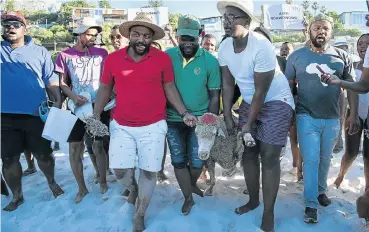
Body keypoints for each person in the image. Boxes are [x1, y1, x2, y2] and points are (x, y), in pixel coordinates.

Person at [92, 13, 197, 231]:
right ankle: (133, 189)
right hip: (121, 124)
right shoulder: (113, 59)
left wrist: (184, 111)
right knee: (120, 171)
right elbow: (104, 88)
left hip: (154, 125)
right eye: (136, 34)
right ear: (129, 35)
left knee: (149, 173)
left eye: (146, 36)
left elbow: (169, 88)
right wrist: (95, 115)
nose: (141, 39)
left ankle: (140, 213)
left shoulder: (162, 58)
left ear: (152, 38)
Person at [217, 1, 295, 231]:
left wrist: (248, 124)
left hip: (276, 101)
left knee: (269, 156)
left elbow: (262, 90)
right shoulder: (223, 47)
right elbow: (227, 82)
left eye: (234, 17)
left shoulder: (262, 46)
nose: (227, 21)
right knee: (248, 153)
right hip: (250, 101)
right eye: (225, 17)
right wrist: (229, 112)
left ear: (248, 23)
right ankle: (253, 200)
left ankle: (269, 212)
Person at [285, 14, 359, 224]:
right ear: (309, 31)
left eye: (325, 28)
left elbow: (351, 86)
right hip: (305, 114)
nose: (321, 31)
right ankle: (310, 204)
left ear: (331, 32)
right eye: (317, 27)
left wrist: (352, 114)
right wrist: (288, 113)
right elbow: (288, 87)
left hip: (333, 116)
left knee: (326, 158)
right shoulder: (296, 57)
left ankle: (320, 191)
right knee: (311, 159)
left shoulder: (342, 56)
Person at [1, 11, 64, 211]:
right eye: (6, 24)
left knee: (44, 155)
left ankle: (52, 181)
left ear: (25, 28)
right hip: (4, 116)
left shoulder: (39, 51)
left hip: (35, 113)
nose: (11, 27)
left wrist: (58, 100)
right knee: (9, 158)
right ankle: (17, 196)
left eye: (15, 24)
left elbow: (50, 79)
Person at [165, 15, 221, 215]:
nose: (187, 44)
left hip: (200, 119)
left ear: (200, 36)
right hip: (172, 118)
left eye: (192, 39)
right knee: (178, 160)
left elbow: (215, 96)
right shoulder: (167, 56)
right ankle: (188, 197)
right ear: (177, 37)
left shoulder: (210, 61)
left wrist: (209, 123)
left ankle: (190, 185)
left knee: (198, 161)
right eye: (183, 39)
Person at [55, 17, 109, 204]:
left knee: (98, 146)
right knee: (74, 149)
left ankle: (102, 180)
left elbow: (107, 79)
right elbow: (62, 83)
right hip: (75, 107)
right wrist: (72, 96)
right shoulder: (64, 55)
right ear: (79, 33)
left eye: (95, 34)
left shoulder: (102, 53)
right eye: (88, 34)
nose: (92, 38)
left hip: (97, 105)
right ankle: (81, 188)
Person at [333, 34, 369, 191]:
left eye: (367, 43)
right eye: (360, 43)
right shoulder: (352, 66)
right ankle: (340, 177)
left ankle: (367, 189)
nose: (363, 46)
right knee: (351, 152)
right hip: (353, 112)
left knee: (367, 156)